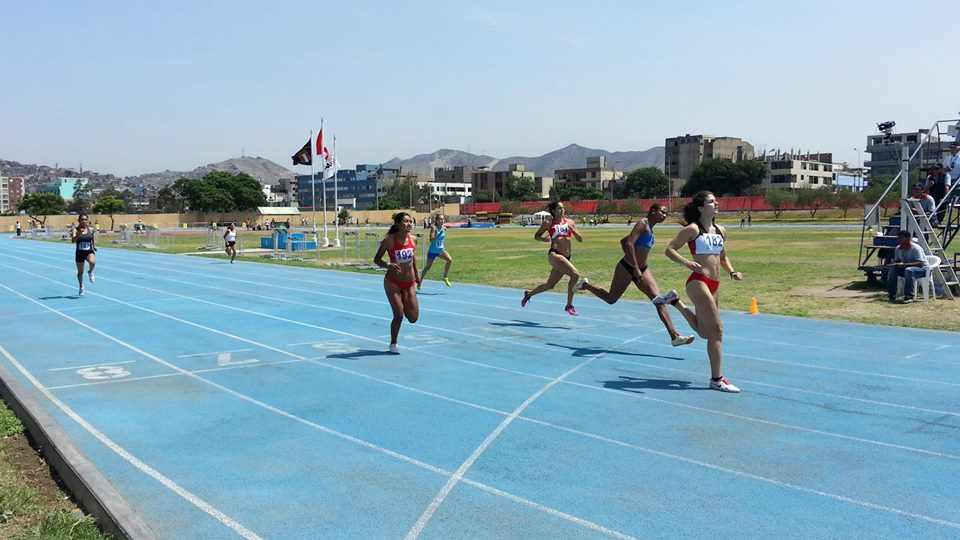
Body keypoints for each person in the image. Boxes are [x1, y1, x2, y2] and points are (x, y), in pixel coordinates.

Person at [655, 191, 743, 393]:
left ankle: (675, 301)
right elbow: (670, 249)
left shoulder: (721, 230)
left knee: (705, 332)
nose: (717, 203)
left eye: (716, 200)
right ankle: (717, 379)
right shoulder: (693, 229)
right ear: (701, 208)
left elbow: (722, 257)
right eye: (712, 201)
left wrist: (732, 271)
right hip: (698, 282)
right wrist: (687, 262)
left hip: (715, 283)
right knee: (718, 330)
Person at [578, 204, 695, 347]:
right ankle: (585, 285)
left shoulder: (650, 229)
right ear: (652, 211)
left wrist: (639, 267)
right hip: (627, 268)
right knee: (611, 299)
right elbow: (629, 243)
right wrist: (634, 267)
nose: (664, 216)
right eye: (662, 212)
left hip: (643, 269)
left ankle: (675, 336)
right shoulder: (643, 224)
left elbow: (624, 241)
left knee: (658, 301)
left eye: (666, 214)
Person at [521, 201, 584, 316]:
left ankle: (529, 294)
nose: (562, 210)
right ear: (554, 211)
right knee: (575, 274)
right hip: (555, 254)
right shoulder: (548, 223)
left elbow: (580, 239)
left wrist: (573, 230)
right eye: (559, 208)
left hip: (566, 257)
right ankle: (569, 305)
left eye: (563, 208)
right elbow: (537, 235)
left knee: (550, 285)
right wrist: (543, 239)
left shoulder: (570, 222)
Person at [373, 212, 420, 354]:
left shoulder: (414, 239)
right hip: (392, 282)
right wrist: (387, 265)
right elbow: (377, 259)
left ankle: (405, 302)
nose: (409, 224)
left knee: (413, 318)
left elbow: (413, 258)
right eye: (406, 221)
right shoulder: (389, 241)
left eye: (411, 221)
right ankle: (393, 343)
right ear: (398, 224)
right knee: (399, 314)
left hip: (409, 282)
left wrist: (417, 275)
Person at [885, 230, 927, 304]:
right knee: (893, 270)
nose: (899, 240)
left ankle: (909, 296)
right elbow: (897, 260)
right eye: (898, 238)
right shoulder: (898, 248)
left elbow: (921, 263)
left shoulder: (915, 248)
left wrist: (905, 265)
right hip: (906, 269)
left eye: (901, 238)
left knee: (909, 270)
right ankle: (892, 295)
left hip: (922, 269)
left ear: (908, 238)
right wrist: (896, 264)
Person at [418, 214, 453, 289]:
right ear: (437, 221)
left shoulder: (444, 228)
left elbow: (441, 239)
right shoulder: (434, 228)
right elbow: (431, 240)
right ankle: (420, 282)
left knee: (449, 260)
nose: (442, 220)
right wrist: (439, 234)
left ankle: (444, 277)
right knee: (427, 267)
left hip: (441, 250)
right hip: (432, 251)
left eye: (443, 219)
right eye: (440, 219)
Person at [71, 213, 97, 297]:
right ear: (79, 220)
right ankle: (81, 286)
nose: (84, 221)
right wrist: (78, 234)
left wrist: (94, 246)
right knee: (80, 272)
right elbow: (73, 241)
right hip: (79, 253)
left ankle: (90, 271)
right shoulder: (75, 229)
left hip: (89, 251)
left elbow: (92, 238)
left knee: (92, 262)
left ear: (88, 220)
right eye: (82, 219)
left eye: (85, 219)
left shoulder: (90, 229)